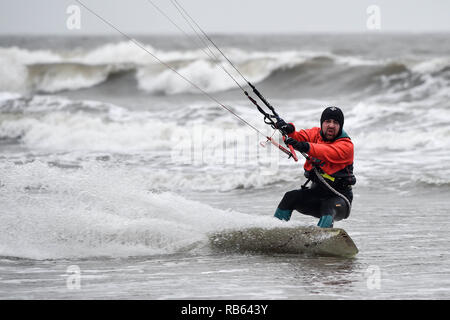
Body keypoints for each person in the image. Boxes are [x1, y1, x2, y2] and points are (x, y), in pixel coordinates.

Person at [273, 106, 356, 228]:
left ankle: (320, 240)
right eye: (328, 121)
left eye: (336, 122)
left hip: (340, 200)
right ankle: (275, 232)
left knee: (329, 206)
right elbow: (297, 136)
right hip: (316, 195)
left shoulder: (346, 146)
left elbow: (325, 151)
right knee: (290, 197)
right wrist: (289, 130)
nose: (331, 125)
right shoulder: (315, 134)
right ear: (322, 123)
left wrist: (305, 146)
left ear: (340, 126)